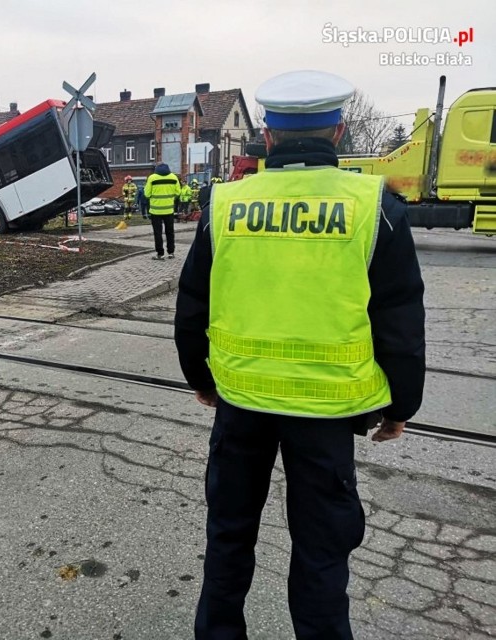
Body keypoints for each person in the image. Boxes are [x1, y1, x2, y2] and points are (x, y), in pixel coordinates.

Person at [175, 70, 425, 640]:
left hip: (241, 404)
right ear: (337, 132)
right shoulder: (373, 205)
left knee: (229, 538)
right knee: (321, 554)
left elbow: (194, 303)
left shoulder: (226, 201)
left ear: (266, 134)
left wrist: (201, 377)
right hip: (328, 415)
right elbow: (400, 318)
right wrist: (401, 404)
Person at [144, 163, 181, 259]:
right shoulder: (173, 177)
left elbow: (147, 194)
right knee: (170, 232)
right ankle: (171, 252)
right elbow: (178, 192)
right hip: (169, 209)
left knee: (158, 233)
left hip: (156, 211)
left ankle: (160, 254)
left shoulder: (152, 178)